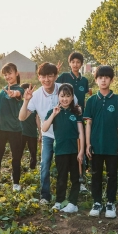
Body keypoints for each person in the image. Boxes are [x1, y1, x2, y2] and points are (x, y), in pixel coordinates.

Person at [19, 62, 78, 204]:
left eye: (50, 76)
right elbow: (22, 117)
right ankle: (45, 195)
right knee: (45, 163)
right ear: (39, 78)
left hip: (65, 136)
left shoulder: (64, 90)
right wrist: (26, 101)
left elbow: (76, 109)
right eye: (43, 76)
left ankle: (73, 191)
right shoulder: (36, 95)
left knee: (70, 164)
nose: (47, 80)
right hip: (48, 135)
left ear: (55, 76)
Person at [83, 65, 118, 218]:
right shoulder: (92, 100)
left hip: (113, 146)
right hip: (96, 145)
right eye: (100, 77)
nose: (103, 80)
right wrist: (87, 144)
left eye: (106, 77)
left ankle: (111, 203)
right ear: (96, 80)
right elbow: (88, 124)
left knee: (112, 175)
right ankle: (97, 202)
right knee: (96, 174)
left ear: (111, 80)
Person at [41, 84, 84, 213]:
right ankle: (59, 201)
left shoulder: (76, 113)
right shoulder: (53, 112)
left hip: (74, 151)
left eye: (68, 96)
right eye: (62, 96)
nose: (65, 99)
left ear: (72, 97)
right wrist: (53, 115)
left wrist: (81, 151)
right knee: (61, 177)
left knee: (75, 177)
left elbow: (81, 133)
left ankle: (73, 203)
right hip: (60, 150)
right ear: (58, 97)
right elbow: (44, 128)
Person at [56, 52, 91, 192]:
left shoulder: (84, 80)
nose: (75, 64)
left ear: (81, 64)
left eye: (78, 62)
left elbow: (84, 97)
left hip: (79, 116)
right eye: (73, 62)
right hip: (65, 115)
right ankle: (65, 177)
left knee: (80, 144)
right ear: (69, 63)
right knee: (68, 145)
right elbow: (54, 86)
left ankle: (80, 177)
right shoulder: (64, 76)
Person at [0, 63, 24, 193]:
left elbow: (17, 94)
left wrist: (13, 93)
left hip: (14, 129)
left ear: (16, 73)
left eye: (9, 73)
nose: (7, 76)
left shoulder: (19, 89)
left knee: (16, 156)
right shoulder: (3, 88)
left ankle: (16, 182)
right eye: (5, 74)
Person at [20, 83, 40, 171]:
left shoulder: (35, 104)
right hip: (21, 132)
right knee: (18, 152)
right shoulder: (20, 104)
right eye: (24, 92)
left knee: (33, 153)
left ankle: (32, 169)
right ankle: (17, 168)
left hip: (32, 132)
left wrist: (40, 132)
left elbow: (37, 119)